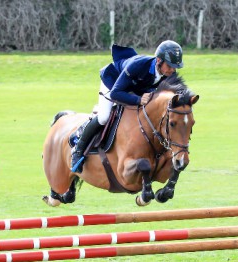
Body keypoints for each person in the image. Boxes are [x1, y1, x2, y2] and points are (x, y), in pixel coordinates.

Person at [71, 40, 184, 173]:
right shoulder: (138, 66)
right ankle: (78, 149)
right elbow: (115, 93)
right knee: (103, 117)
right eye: (170, 66)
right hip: (113, 83)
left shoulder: (169, 74)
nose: (173, 70)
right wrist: (138, 100)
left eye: (175, 67)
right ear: (158, 60)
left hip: (135, 89)